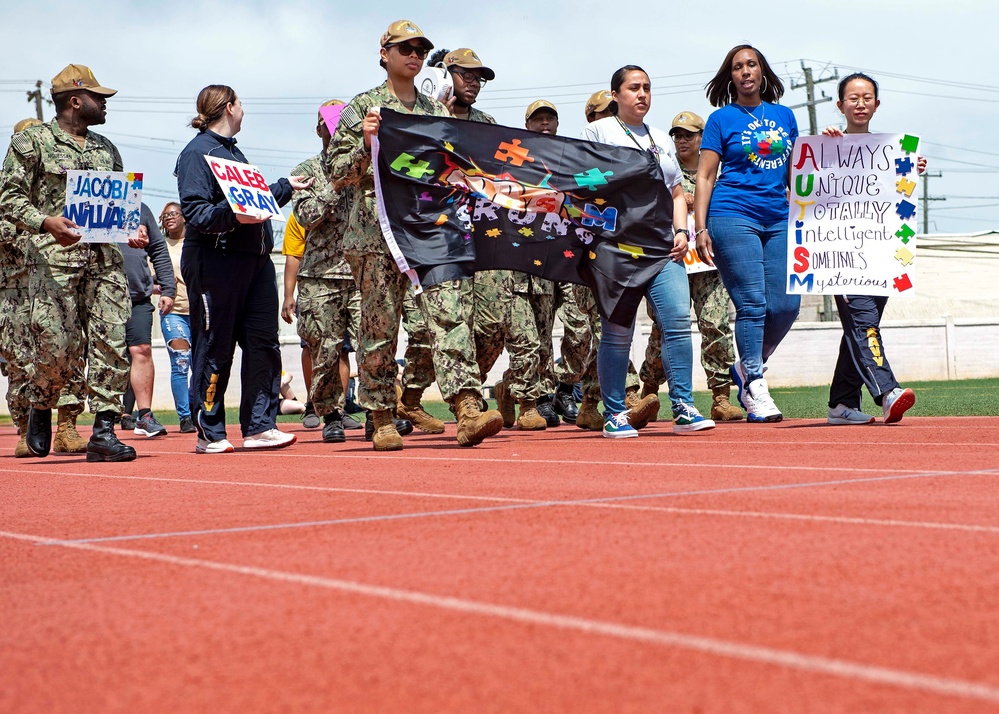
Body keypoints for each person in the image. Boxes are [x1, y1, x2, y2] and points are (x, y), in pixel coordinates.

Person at [325, 20, 502, 450]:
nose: (414, 54)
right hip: (376, 230)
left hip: (430, 227)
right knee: (380, 323)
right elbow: (335, 172)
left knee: (450, 315)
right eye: (405, 47)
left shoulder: (436, 112)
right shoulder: (363, 107)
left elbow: (459, 169)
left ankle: (466, 409)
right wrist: (366, 144)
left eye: (421, 48)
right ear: (384, 54)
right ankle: (381, 414)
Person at [0, 64, 136, 461]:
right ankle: (41, 406)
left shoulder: (106, 148)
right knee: (57, 349)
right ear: (75, 101)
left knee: (112, 342)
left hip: (104, 262)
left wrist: (130, 231)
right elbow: (7, 196)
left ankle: (104, 431)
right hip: (53, 265)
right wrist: (45, 222)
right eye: (99, 97)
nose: (106, 103)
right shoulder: (32, 143)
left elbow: (116, 207)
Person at [176, 84, 311, 453]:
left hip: (256, 262)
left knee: (263, 343)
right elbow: (198, 212)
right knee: (216, 346)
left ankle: (259, 426)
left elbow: (250, 199)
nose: (244, 111)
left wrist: (285, 187)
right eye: (241, 104)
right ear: (231, 107)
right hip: (216, 261)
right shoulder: (197, 154)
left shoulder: (232, 153)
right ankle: (211, 432)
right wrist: (232, 216)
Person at [582, 66, 715, 438]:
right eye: (633, 88)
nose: (642, 94)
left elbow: (676, 191)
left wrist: (680, 230)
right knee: (618, 331)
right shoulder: (598, 131)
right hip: (617, 249)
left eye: (647, 88)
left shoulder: (658, 138)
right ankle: (613, 413)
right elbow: (586, 183)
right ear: (615, 95)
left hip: (662, 249)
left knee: (676, 323)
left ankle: (685, 407)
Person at [694, 44, 800, 423]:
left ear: (762, 71)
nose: (745, 71)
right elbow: (705, 175)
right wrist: (700, 226)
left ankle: (746, 365)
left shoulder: (785, 116)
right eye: (737, 67)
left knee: (787, 306)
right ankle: (754, 383)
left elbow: (797, 174)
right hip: (732, 214)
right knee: (753, 304)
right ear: (731, 76)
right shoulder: (721, 119)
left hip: (778, 218)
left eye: (751, 64)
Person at [822, 73, 920, 425]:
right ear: (840, 105)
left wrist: (912, 168)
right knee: (864, 322)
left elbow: (901, 194)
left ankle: (841, 403)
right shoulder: (825, 147)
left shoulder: (891, 150)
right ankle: (887, 391)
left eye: (867, 97)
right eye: (852, 97)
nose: (860, 103)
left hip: (881, 253)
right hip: (840, 255)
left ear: (877, 104)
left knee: (863, 326)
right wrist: (825, 147)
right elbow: (803, 183)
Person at [639, 112, 744, 422]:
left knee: (716, 324)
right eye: (677, 135)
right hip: (674, 259)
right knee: (665, 330)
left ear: (702, 139)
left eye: (689, 135)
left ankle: (720, 397)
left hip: (710, 262)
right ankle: (648, 389)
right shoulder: (665, 170)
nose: (681, 140)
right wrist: (679, 198)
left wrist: (698, 198)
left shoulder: (719, 173)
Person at [287, 100, 370, 443]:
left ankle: (379, 411)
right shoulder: (307, 169)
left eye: (342, 125)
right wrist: (334, 186)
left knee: (371, 346)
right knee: (325, 349)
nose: (335, 131)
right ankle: (331, 413)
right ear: (319, 128)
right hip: (321, 275)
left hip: (363, 271)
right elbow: (305, 216)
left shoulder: (368, 165)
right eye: (330, 125)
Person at [522, 101, 587, 425]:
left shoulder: (570, 158)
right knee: (541, 331)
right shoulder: (518, 160)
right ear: (527, 124)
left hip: (569, 253)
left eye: (550, 119)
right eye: (538, 119)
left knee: (580, 326)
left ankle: (566, 386)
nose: (545, 124)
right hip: (536, 254)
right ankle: (543, 395)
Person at [119, 202, 175, 437]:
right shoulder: (87, 202)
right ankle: (99, 418)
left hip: (138, 295)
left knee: (142, 349)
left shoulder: (138, 206)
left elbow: (159, 249)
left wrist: (168, 289)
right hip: (98, 293)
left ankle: (144, 416)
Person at [158, 202, 197, 433]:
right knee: (180, 363)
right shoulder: (160, 246)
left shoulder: (196, 242)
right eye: (165, 216)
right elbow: (148, 275)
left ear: (184, 217)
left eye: (173, 214)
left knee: (199, 365)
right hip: (174, 312)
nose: (169, 218)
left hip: (200, 311)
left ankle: (197, 408)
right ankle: (184, 417)